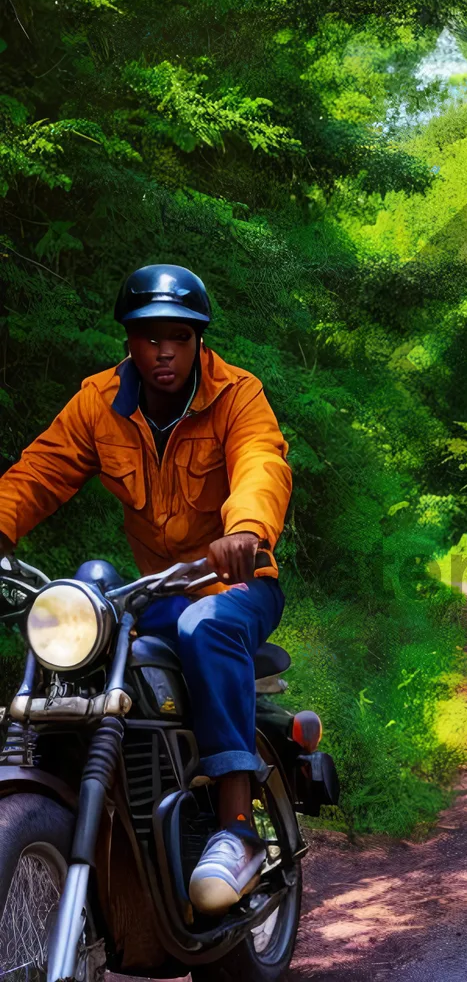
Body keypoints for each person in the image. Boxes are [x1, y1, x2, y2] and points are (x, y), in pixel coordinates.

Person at [0, 264, 293, 916]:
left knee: (204, 626)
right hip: (153, 590)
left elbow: (261, 465)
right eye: (148, 336)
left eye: (179, 338)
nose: (164, 351)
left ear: (197, 342)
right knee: (86, 595)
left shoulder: (237, 396)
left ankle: (237, 831)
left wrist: (245, 530)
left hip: (236, 584)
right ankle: (79, 803)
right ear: (128, 341)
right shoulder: (97, 404)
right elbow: (39, 474)